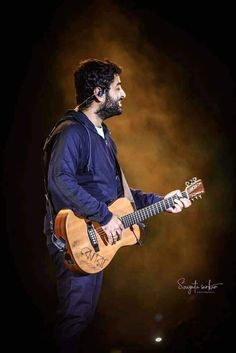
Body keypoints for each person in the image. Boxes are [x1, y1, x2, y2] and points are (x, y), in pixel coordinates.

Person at [43, 58, 191, 352]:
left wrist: (163, 201)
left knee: (80, 321)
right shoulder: (72, 132)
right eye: (118, 87)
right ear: (99, 93)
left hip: (95, 239)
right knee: (74, 320)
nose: (123, 94)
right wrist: (103, 215)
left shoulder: (105, 137)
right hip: (76, 241)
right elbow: (59, 180)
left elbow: (120, 196)